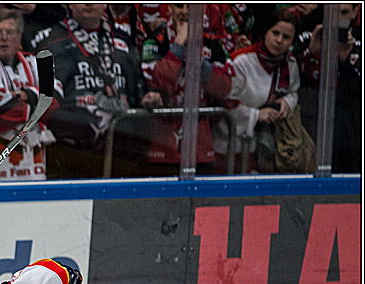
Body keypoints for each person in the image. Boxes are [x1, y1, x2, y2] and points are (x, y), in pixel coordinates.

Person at [33, 3, 154, 178]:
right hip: (72, 153)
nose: (88, 3)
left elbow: (138, 85)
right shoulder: (48, 40)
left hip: (123, 148)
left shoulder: (126, 36)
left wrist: (148, 97)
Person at [0, 7, 58, 181]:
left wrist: (27, 95)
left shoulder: (33, 61)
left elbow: (58, 99)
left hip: (33, 149)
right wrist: (39, 101)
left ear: (20, 36)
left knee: (37, 201)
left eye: (10, 32)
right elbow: (3, 112)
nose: (4, 38)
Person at [140, 3, 235, 175]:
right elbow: (157, 84)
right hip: (162, 147)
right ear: (169, 8)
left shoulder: (212, 42)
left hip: (201, 148)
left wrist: (196, 59)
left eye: (191, 7)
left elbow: (224, 87)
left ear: (202, 9)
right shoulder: (155, 39)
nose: (185, 12)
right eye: (179, 6)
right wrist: (176, 48)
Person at [218, 8, 309, 173]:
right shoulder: (242, 60)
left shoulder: (291, 64)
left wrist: (288, 102)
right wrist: (256, 115)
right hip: (229, 146)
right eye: (275, 33)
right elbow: (223, 101)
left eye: (286, 37)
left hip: (265, 148)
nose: (279, 40)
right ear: (266, 32)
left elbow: (294, 92)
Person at [298, 3, 360, 173]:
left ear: (355, 12)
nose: (337, 19)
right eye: (333, 13)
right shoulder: (307, 37)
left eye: (344, 13)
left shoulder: (358, 42)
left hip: (351, 122)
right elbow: (294, 81)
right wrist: (311, 52)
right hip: (311, 116)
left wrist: (344, 61)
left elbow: (355, 92)